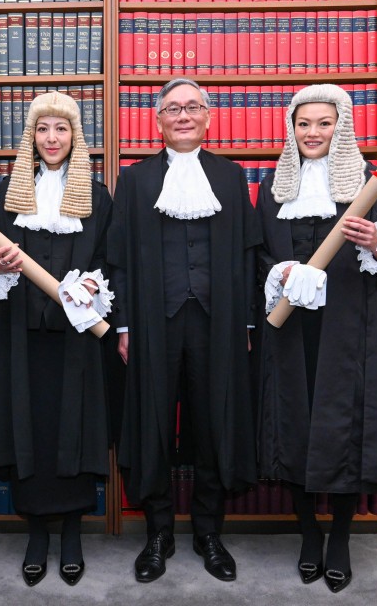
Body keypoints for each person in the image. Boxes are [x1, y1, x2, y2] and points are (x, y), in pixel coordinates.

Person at [255, 84, 377, 593]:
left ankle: (340, 539)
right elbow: (257, 255)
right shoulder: (271, 188)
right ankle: (308, 533)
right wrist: (278, 271)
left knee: (344, 430)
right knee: (296, 427)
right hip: (291, 327)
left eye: (324, 123)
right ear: (291, 129)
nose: (313, 133)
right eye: (304, 124)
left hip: (348, 328)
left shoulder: (368, 183)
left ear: (339, 127)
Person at [108, 77, 261, 584]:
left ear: (208, 116)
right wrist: (124, 323)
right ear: (158, 120)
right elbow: (121, 260)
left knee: (214, 422)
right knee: (152, 423)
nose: (183, 115)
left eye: (193, 106)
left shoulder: (231, 176)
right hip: (153, 320)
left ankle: (208, 530)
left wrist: (243, 322)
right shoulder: (134, 180)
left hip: (218, 323)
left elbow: (245, 256)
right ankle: (157, 531)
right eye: (172, 108)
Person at [0, 91, 113, 588]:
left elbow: (109, 257)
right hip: (22, 335)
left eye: (61, 129)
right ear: (30, 138)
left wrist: (93, 284)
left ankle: (73, 532)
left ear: (74, 136)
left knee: (73, 427)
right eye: (42, 129)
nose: (52, 138)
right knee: (28, 428)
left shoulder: (97, 196)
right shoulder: (8, 193)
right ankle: (37, 533)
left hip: (77, 337)